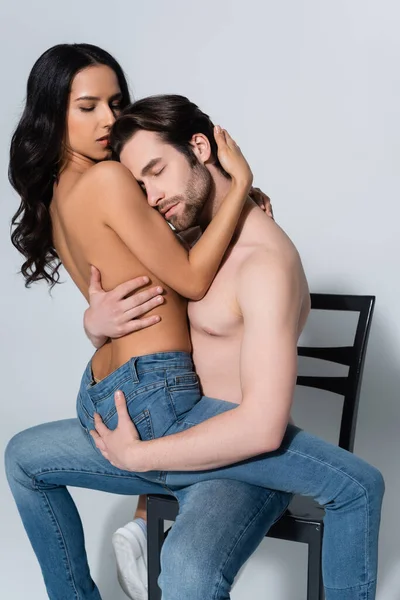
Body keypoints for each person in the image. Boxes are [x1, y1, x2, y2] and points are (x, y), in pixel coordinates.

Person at [4, 43, 293, 600]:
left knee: (22, 460)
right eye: (87, 106)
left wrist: (94, 323)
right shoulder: (111, 181)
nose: (109, 120)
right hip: (154, 388)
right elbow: (188, 280)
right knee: (260, 445)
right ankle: (145, 530)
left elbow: (142, 269)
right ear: (52, 112)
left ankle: (133, 535)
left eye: (115, 103)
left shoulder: (57, 194)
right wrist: (238, 194)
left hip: (98, 394)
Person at [82, 96, 385, 600]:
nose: (151, 197)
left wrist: (141, 456)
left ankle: (148, 518)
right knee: (25, 458)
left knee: (186, 568)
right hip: (182, 429)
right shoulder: (191, 244)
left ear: (200, 147)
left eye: (157, 172)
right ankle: (138, 525)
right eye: (140, 186)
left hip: (239, 451)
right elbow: (152, 330)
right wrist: (97, 325)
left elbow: (262, 426)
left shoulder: (262, 262)